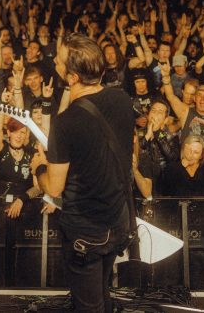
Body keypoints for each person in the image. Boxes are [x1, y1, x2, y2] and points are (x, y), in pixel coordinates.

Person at [30, 33, 134, 313]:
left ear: (73, 77)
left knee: (88, 305)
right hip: (118, 220)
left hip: (86, 230)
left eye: (60, 59)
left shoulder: (66, 123)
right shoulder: (122, 100)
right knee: (101, 293)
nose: (54, 60)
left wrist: (39, 166)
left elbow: (53, 188)